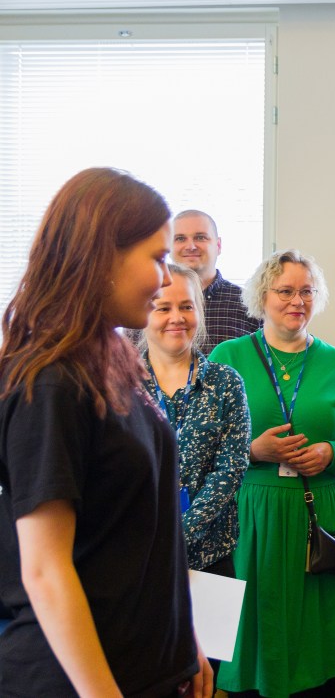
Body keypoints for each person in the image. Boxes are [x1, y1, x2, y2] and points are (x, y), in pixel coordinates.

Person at [0, 167, 212, 697]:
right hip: (77, 680)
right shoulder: (51, 381)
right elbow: (45, 570)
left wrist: (183, 638)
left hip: (148, 667)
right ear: (100, 256)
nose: (165, 279)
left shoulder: (111, 362)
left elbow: (143, 532)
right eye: (157, 258)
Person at [209, 249, 335, 698]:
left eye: (307, 291)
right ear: (262, 295)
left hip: (326, 520)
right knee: (257, 633)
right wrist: (251, 450)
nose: (297, 300)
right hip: (253, 519)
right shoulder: (228, 357)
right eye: (285, 290)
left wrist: (332, 452)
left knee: (327, 640)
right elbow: (200, 448)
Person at [140, 263, 250, 576]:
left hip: (211, 557)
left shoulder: (225, 381)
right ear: (144, 313)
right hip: (138, 553)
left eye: (187, 306)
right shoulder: (120, 385)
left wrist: (179, 533)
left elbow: (231, 469)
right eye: (164, 308)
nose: (177, 317)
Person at [173, 209, 260, 352]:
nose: (190, 247)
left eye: (200, 237)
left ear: (218, 245)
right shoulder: (150, 303)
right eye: (180, 239)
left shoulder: (248, 304)